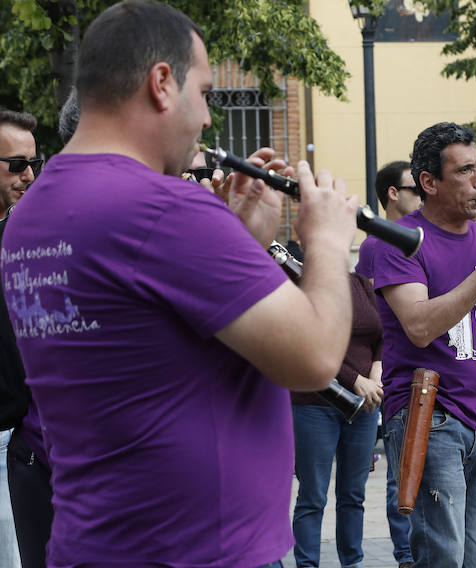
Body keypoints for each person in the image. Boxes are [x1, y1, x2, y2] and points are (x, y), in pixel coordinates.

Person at [0, 3, 358, 566]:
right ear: (162, 83)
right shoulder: (164, 208)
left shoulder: (28, 216)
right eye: (206, 93)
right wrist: (330, 241)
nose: (208, 120)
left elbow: (146, 336)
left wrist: (237, 238)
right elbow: (313, 357)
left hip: (94, 540)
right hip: (197, 548)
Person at [374, 122, 476, 568]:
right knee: (441, 556)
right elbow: (419, 326)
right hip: (428, 412)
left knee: (470, 558)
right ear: (428, 182)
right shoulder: (398, 240)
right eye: (466, 170)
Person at [290, 271, 383, 568]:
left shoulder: (360, 284)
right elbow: (308, 340)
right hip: (315, 403)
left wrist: (376, 374)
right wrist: (355, 379)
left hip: (366, 402)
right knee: (313, 496)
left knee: (353, 495)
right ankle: (307, 565)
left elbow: (382, 335)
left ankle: (352, 563)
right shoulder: (301, 279)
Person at [355, 159, 420, 568]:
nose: (421, 195)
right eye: (414, 189)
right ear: (393, 194)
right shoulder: (374, 245)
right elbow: (370, 318)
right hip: (400, 375)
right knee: (403, 479)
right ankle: (407, 557)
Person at [0, 108, 37, 568]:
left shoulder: (26, 235)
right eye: (16, 164)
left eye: (34, 162)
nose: (29, 174)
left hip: (21, 437)